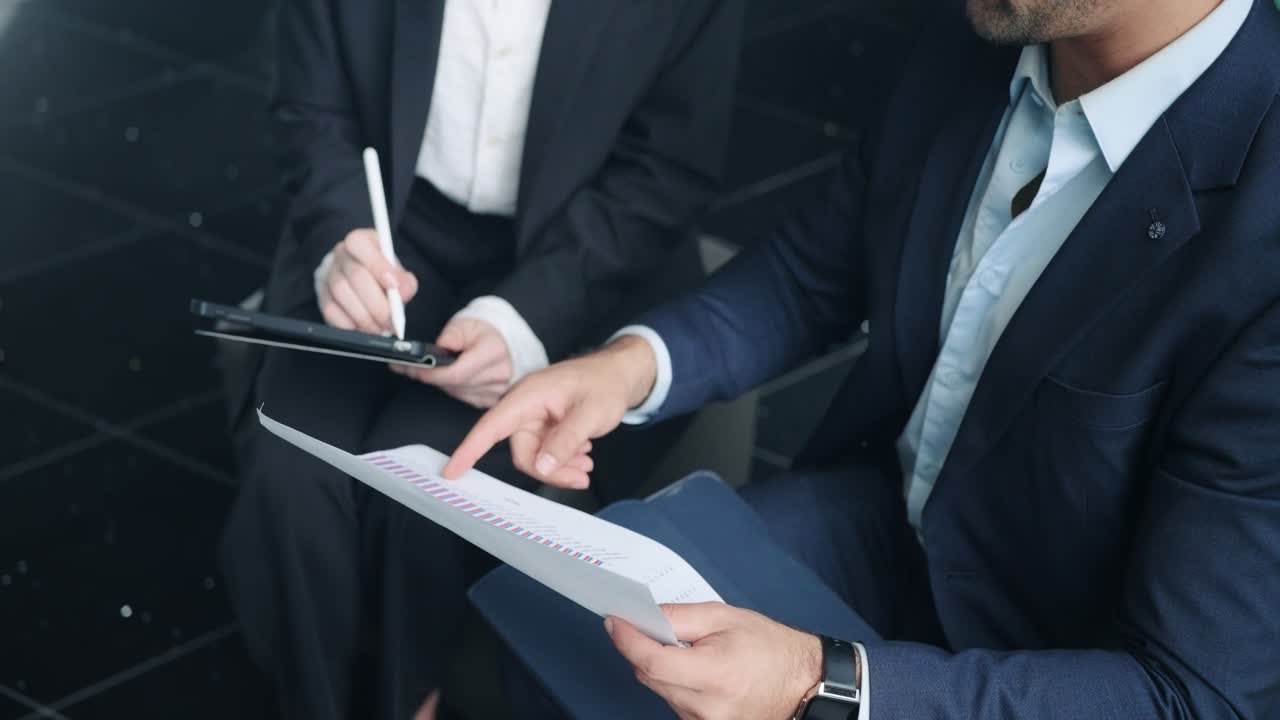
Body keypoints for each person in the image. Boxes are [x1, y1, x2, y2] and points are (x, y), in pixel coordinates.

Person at [444, 0, 1280, 717]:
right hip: (891, 525)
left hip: (1062, 657)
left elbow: (1189, 693)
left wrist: (825, 682)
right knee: (567, 612)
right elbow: (818, 267)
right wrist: (630, 365)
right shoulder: (979, 38)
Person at [216, 1, 742, 718]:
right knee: (291, 475)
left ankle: (411, 701)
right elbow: (308, 106)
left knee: (440, 488)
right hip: (389, 225)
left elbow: (666, 170)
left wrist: (527, 318)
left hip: (570, 254)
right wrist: (340, 236)